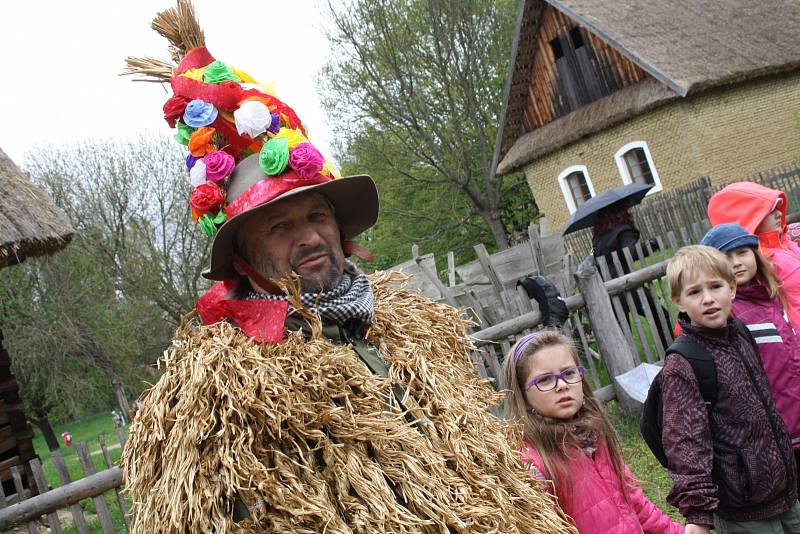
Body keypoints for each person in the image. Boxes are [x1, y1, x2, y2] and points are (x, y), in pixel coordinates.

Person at [119, 3, 574, 532]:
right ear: (241, 258)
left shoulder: (407, 324)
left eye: (317, 215)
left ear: (342, 229)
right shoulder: (220, 391)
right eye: (279, 226)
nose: (309, 236)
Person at [661, 245, 799, 533]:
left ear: (733, 288)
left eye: (715, 286)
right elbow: (686, 442)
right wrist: (698, 512)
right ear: (679, 301)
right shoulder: (684, 362)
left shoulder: (741, 335)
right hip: (743, 512)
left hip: (786, 494)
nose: (709, 299)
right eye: (695, 292)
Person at [501, 329, 684, 534]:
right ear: (522, 396)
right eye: (544, 380)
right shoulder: (532, 465)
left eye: (569, 373)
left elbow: (636, 505)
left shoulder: (594, 437)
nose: (561, 385)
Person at [702, 223, 800, 483]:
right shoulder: (728, 313)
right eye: (726, 257)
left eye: (743, 252)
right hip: (776, 434)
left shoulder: (774, 298)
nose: (737, 262)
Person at [707, 181, 800, 326]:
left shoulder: (785, 242)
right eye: (771, 210)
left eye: (778, 207)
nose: (779, 213)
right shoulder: (761, 260)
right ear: (750, 218)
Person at [592, 205, 672, 350]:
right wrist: (652, 245)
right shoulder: (623, 230)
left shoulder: (598, 237)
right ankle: (670, 350)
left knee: (623, 331)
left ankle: (630, 365)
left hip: (607, 287)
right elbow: (631, 252)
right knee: (660, 315)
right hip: (628, 285)